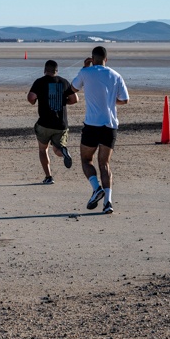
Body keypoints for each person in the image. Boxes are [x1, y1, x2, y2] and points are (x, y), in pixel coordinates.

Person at [71, 45, 129, 214]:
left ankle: (96, 189)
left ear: (92, 58)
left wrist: (84, 68)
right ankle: (108, 202)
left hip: (92, 125)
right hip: (110, 125)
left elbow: (73, 89)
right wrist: (110, 102)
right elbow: (124, 100)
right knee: (104, 164)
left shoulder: (86, 73)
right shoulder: (116, 75)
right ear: (106, 59)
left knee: (86, 160)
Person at [27, 59, 78, 184]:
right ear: (56, 71)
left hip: (44, 123)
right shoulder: (64, 82)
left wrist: (35, 101)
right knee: (57, 149)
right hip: (61, 124)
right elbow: (75, 99)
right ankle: (63, 151)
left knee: (43, 149)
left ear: (45, 70)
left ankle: (49, 177)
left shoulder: (39, 82)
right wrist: (63, 101)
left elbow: (31, 97)